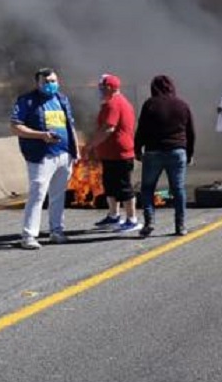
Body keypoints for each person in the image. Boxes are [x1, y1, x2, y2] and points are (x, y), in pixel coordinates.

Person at [10, 67, 80, 250]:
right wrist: (41, 135)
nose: (51, 85)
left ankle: (57, 231)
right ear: (38, 83)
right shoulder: (27, 101)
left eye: (53, 81)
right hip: (41, 156)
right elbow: (16, 127)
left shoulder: (62, 99)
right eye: (46, 82)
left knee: (58, 195)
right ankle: (29, 235)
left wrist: (76, 149)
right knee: (38, 193)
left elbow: (70, 125)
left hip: (64, 154)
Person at [136, 74, 196, 237]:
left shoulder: (150, 104)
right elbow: (190, 132)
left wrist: (137, 150)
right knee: (178, 189)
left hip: (153, 152)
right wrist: (189, 153)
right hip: (177, 152)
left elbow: (141, 129)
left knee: (147, 188)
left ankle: (149, 222)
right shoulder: (182, 105)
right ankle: (181, 226)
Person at [87, 74, 140, 233]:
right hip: (110, 154)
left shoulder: (114, 103)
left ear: (109, 87)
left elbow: (108, 128)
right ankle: (113, 215)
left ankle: (132, 219)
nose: (100, 90)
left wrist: (91, 144)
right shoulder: (111, 103)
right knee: (110, 186)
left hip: (120, 154)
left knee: (123, 187)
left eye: (102, 87)